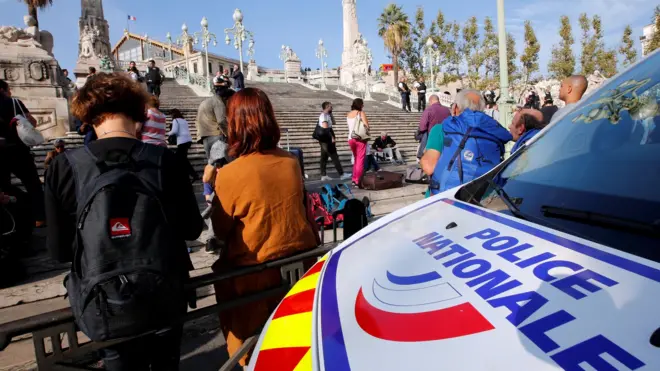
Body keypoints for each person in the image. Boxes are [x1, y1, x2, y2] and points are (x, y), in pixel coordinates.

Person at [45, 72, 203, 370]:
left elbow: (59, 252)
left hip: (106, 304)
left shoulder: (64, 167)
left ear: (87, 115)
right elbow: (191, 229)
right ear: (139, 112)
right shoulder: (165, 161)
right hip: (164, 295)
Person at [210, 88, 318, 367]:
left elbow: (221, 232)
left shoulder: (231, 173)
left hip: (254, 276)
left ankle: (245, 358)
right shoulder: (290, 162)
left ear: (234, 123)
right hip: (299, 266)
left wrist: (211, 184)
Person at [429, 89, 513, 195]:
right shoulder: (494, 128)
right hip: (484, 194)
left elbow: (428, 167)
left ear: (455, 107)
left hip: (449, 193)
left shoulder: (448, 125)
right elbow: (507, 136)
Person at [0, 79, 45, 227]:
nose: (10, 92)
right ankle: (40, 217)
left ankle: (10, 219)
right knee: (32, 184)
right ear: (2, 90)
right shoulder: (14, 103)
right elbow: (32, 122)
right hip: (18, 150)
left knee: (4, 187)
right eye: (8, 89)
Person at [316, 102, 349, 181]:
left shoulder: (327, 115)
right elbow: (325, 128)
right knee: (334, 156)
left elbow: (334, 123)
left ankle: (323, 175)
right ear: (327, 107)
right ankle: (342, 174)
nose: (332, 108)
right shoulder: (323, 116)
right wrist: (331, 137)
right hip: (327, 138)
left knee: (324, 157)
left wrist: (331, 114)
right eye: (331, 107)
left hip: (325, 138)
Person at [196, 88, 229, 158]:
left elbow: (197, 121)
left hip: (205, 137)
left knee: (212, 164)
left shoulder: (204, 102)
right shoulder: (218, 101)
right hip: (217, 136)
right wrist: (229, 134)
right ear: (226, 98)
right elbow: (221, 121)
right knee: (221, 163)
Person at [167, 108, 199, 181]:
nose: (171, 116)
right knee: (183, 159)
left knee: (180, 159)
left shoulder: (175, 120)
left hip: (182, 141)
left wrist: (168, 133)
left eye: (171, 114)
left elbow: (174, 131)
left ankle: (192, 175)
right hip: (188, 140)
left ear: (173, 114)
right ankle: (193, 175)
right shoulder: (184, 120)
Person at [417, 94, 451, 158]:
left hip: (431, 139)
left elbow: (422, 127)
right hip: (445, 138)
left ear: (431, 101)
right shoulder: (447, 110)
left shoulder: (428, 110)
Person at [347, 98, 370, 188]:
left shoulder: (349, 114)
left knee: (356, 159)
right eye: (362, 104)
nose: (363, 106)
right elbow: (366, 126)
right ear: (360, 105)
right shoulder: (361, 113)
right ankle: (358, 181)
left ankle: (354, 179)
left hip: (351, 138)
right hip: (360, 138)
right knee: (360, 160)